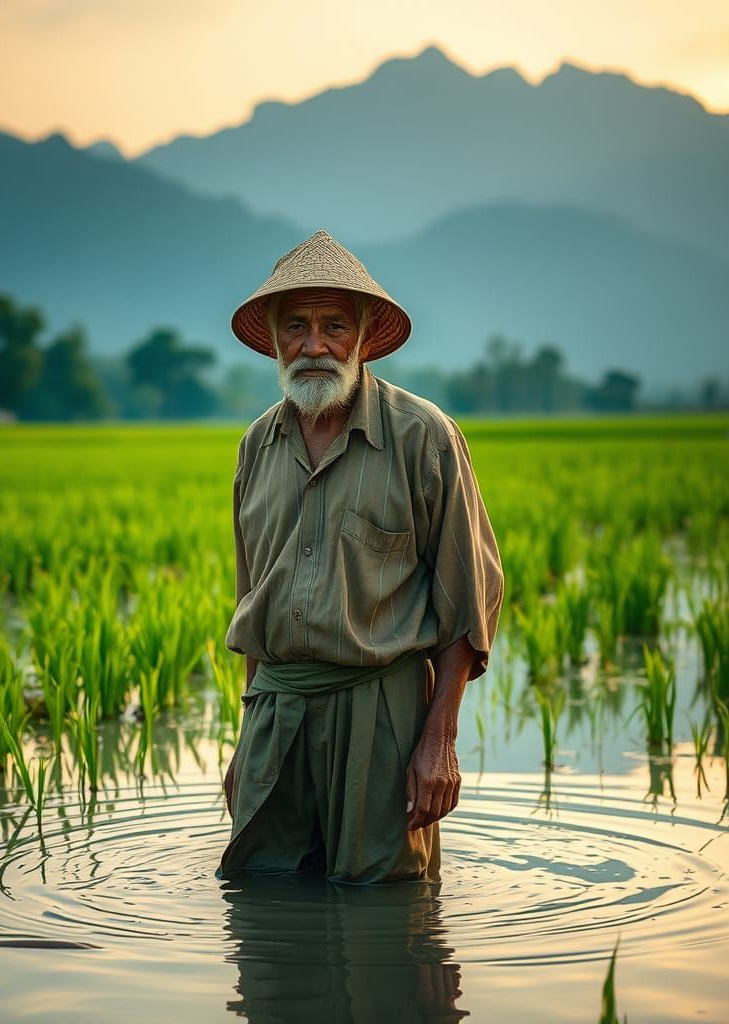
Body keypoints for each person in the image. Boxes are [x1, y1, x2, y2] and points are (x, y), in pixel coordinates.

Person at [218, 229, 504, 884]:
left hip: (380, 719)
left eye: (333, 325)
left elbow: (469, 599)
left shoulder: (421, 436)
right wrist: (246, 735)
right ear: (273, 335)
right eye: (296, 325)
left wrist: (440, 741)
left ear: (365, 336)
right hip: (274, 713)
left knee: (385, 910)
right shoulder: (256, 445)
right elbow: (252, 597)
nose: (313, 345)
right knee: (261, 898)